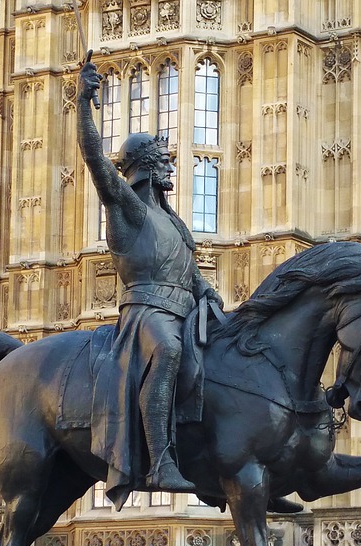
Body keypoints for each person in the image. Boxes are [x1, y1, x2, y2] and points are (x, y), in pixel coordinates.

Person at [77, 60, 218, 507]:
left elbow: (188, 271)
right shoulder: (129, 210)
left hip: (185, 310)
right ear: (144, 167)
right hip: (148, 316)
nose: (169, 165)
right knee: (170, 350)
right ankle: (160, 462)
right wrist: (83, 103)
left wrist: (208, 293)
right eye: (161, 161)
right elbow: (96, 161)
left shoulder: (171, 223)